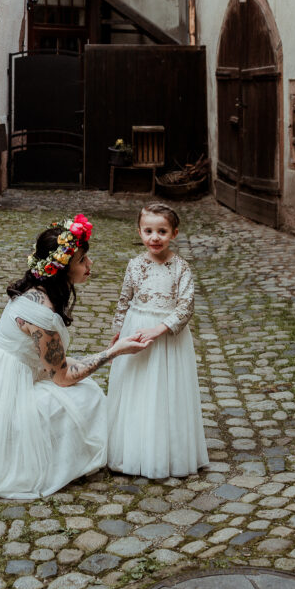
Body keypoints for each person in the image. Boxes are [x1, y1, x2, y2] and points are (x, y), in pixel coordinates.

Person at [0, 213, 149, 499]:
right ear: (60, 269)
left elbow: (52, 363)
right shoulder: (42, 315)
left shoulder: (32, 292)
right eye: (82, 260)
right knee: (88, 396)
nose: (90, 264)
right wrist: (114, 352)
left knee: (81, 389)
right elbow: (61, 377)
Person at [106, 202, 208, 478]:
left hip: (167, 337)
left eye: (162, 231)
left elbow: (186, 307)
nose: (154, 237)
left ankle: (167, 452)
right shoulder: (134, 265)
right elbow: (124, 300)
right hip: (135, 329)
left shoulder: (180, 268)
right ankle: (132, 448)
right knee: (135, 386)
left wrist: (159, 329)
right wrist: (118, 331)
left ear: (174, 233)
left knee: (165, 390)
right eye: (148, 230)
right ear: (139, 232)